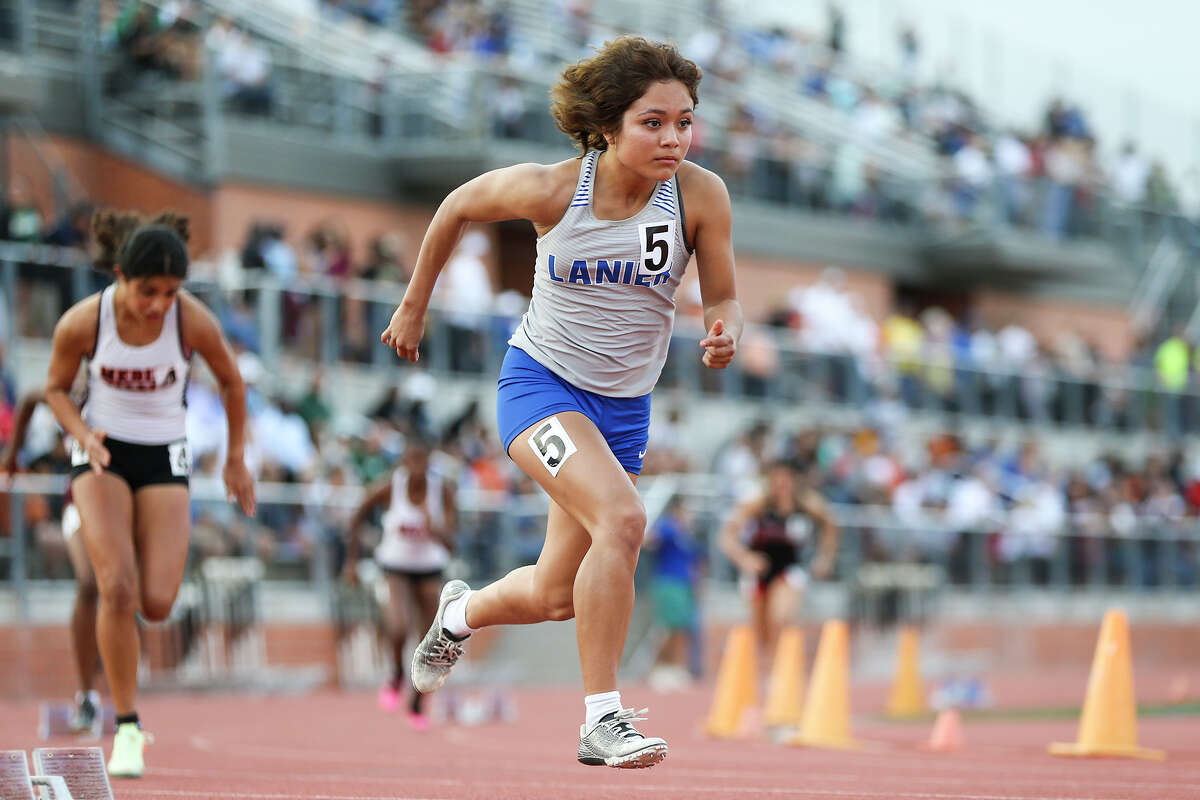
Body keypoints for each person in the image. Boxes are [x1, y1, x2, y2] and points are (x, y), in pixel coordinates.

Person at [381, 35, 741, 769]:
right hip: (540, 386)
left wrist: (722, 327)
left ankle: (459, 612)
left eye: (685, 120)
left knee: (555, 595)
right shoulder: (554, 191)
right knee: (625, 518)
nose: (674, 138)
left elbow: (725, 292)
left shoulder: (700, 195)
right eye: (653, 123)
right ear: (608, 127)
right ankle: (601, 721)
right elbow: (455, 207)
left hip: (622, 410)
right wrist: (415, 304)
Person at [44, 209, 256, 778]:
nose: (159, 305)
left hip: (164, 456)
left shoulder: (192, 322)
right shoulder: (85, 322)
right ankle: (128, 726)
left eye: (170, 292)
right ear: (119, 275)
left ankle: (131, 568)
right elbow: (54, 390)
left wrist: (236, 458)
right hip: (101, 454)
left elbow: (233, 382)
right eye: (147, 292)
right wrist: (84, 433)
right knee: (114, 586)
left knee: (156, 603)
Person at [1, 386, 102, 733]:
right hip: (81, 499)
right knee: (88, 583)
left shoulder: (130, 385)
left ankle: (111, 645)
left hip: (128, 503)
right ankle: (86, 694)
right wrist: (12, 456)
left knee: (127, 592)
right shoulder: (71, 392)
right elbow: (29, 399)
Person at [344, 438, 457, 731]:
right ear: (404, 462)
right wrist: (351, 561)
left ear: (430, 462)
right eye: (413, 460)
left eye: (423, 460)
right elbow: (357, 515)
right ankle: (395, 673)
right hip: (395, 566)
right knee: (397, 625)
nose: (418, 467)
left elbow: (452, 543)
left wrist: (437, 529)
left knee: (429, 641)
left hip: (430, 568)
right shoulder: (389, 487)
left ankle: (417, 704)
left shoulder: (441, 491)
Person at [718, 460, 838, 659]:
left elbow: (831, 525)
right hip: (760, 569)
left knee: (780, 617)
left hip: (789, 568)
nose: (782, 484)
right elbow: (726, 536)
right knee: (762, 631)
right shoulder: (758, 504)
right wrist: (745, 558)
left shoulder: (806, 503)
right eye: (777, 478)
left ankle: (784, 666)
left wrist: (825, 558)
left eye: (787, 478)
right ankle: (772, 667)